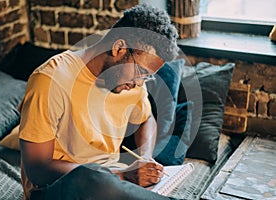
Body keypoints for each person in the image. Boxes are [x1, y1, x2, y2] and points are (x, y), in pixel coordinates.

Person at [18, 3, 179, 200]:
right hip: (59, 188)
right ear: (118, 48)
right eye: (141, 73)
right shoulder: (50, 79)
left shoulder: (131, 82)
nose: (139, 83)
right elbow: (37, 169)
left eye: (146, 77)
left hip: (111, 181)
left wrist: (145, 156)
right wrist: (121, 175)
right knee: (91, 180)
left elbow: (146, 119)